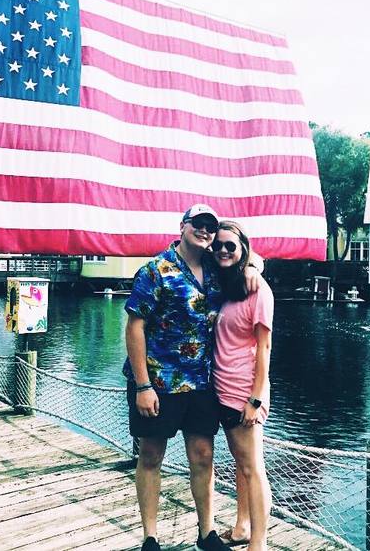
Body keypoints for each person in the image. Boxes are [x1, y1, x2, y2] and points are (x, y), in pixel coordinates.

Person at [124, 205, 261, 551]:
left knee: (202, 456)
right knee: (151, 455)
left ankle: (206, 534)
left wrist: (255, 267)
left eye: (210, 226)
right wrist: (142, 385)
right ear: (183, 226)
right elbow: (135, 327)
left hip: (202, 382)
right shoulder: (155, 270)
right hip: (158, 382)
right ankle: (150, 537)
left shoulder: (216, 269)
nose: (205, 231)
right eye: (198, 224)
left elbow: (245, 257)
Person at [211, 220, 273, 551]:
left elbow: (264, 347)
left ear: (243, 249)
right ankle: (241, 527)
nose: (223, 250)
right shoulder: (227, 286)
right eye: (218, 245)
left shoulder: (258, 291)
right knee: (241, 465)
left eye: (230, 246)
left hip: (244, 393)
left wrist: (256, 399)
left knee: (253, 468)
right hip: (220, 389)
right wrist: (253, 264)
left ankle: (258, 543)